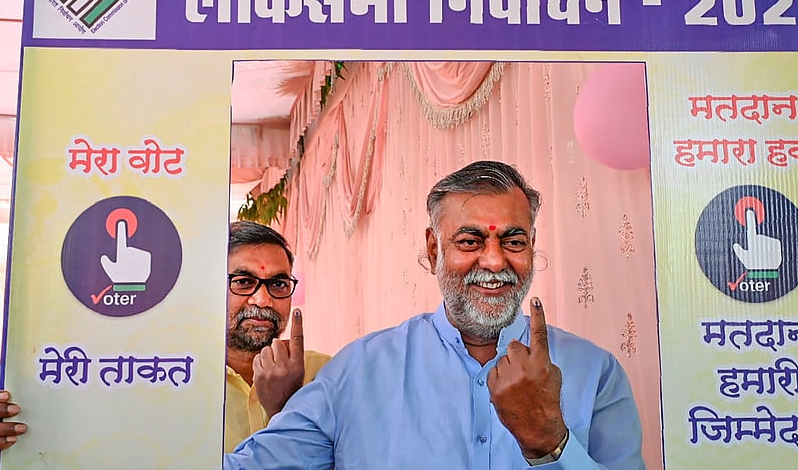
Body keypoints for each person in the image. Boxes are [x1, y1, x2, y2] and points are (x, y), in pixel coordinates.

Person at [225, 160, 645, 469]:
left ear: (532, 246)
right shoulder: (358, 371)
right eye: (470, 241)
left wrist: (550, 443)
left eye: (514, 242)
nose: (495, 261)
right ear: (432, 250)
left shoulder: (595, 372)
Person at [0, 221, 330, 469]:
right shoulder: (156, 377)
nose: (263, 299)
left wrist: (284, 409)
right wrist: (2, 453)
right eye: (242, 281)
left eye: (279, 284)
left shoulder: (329, 376)